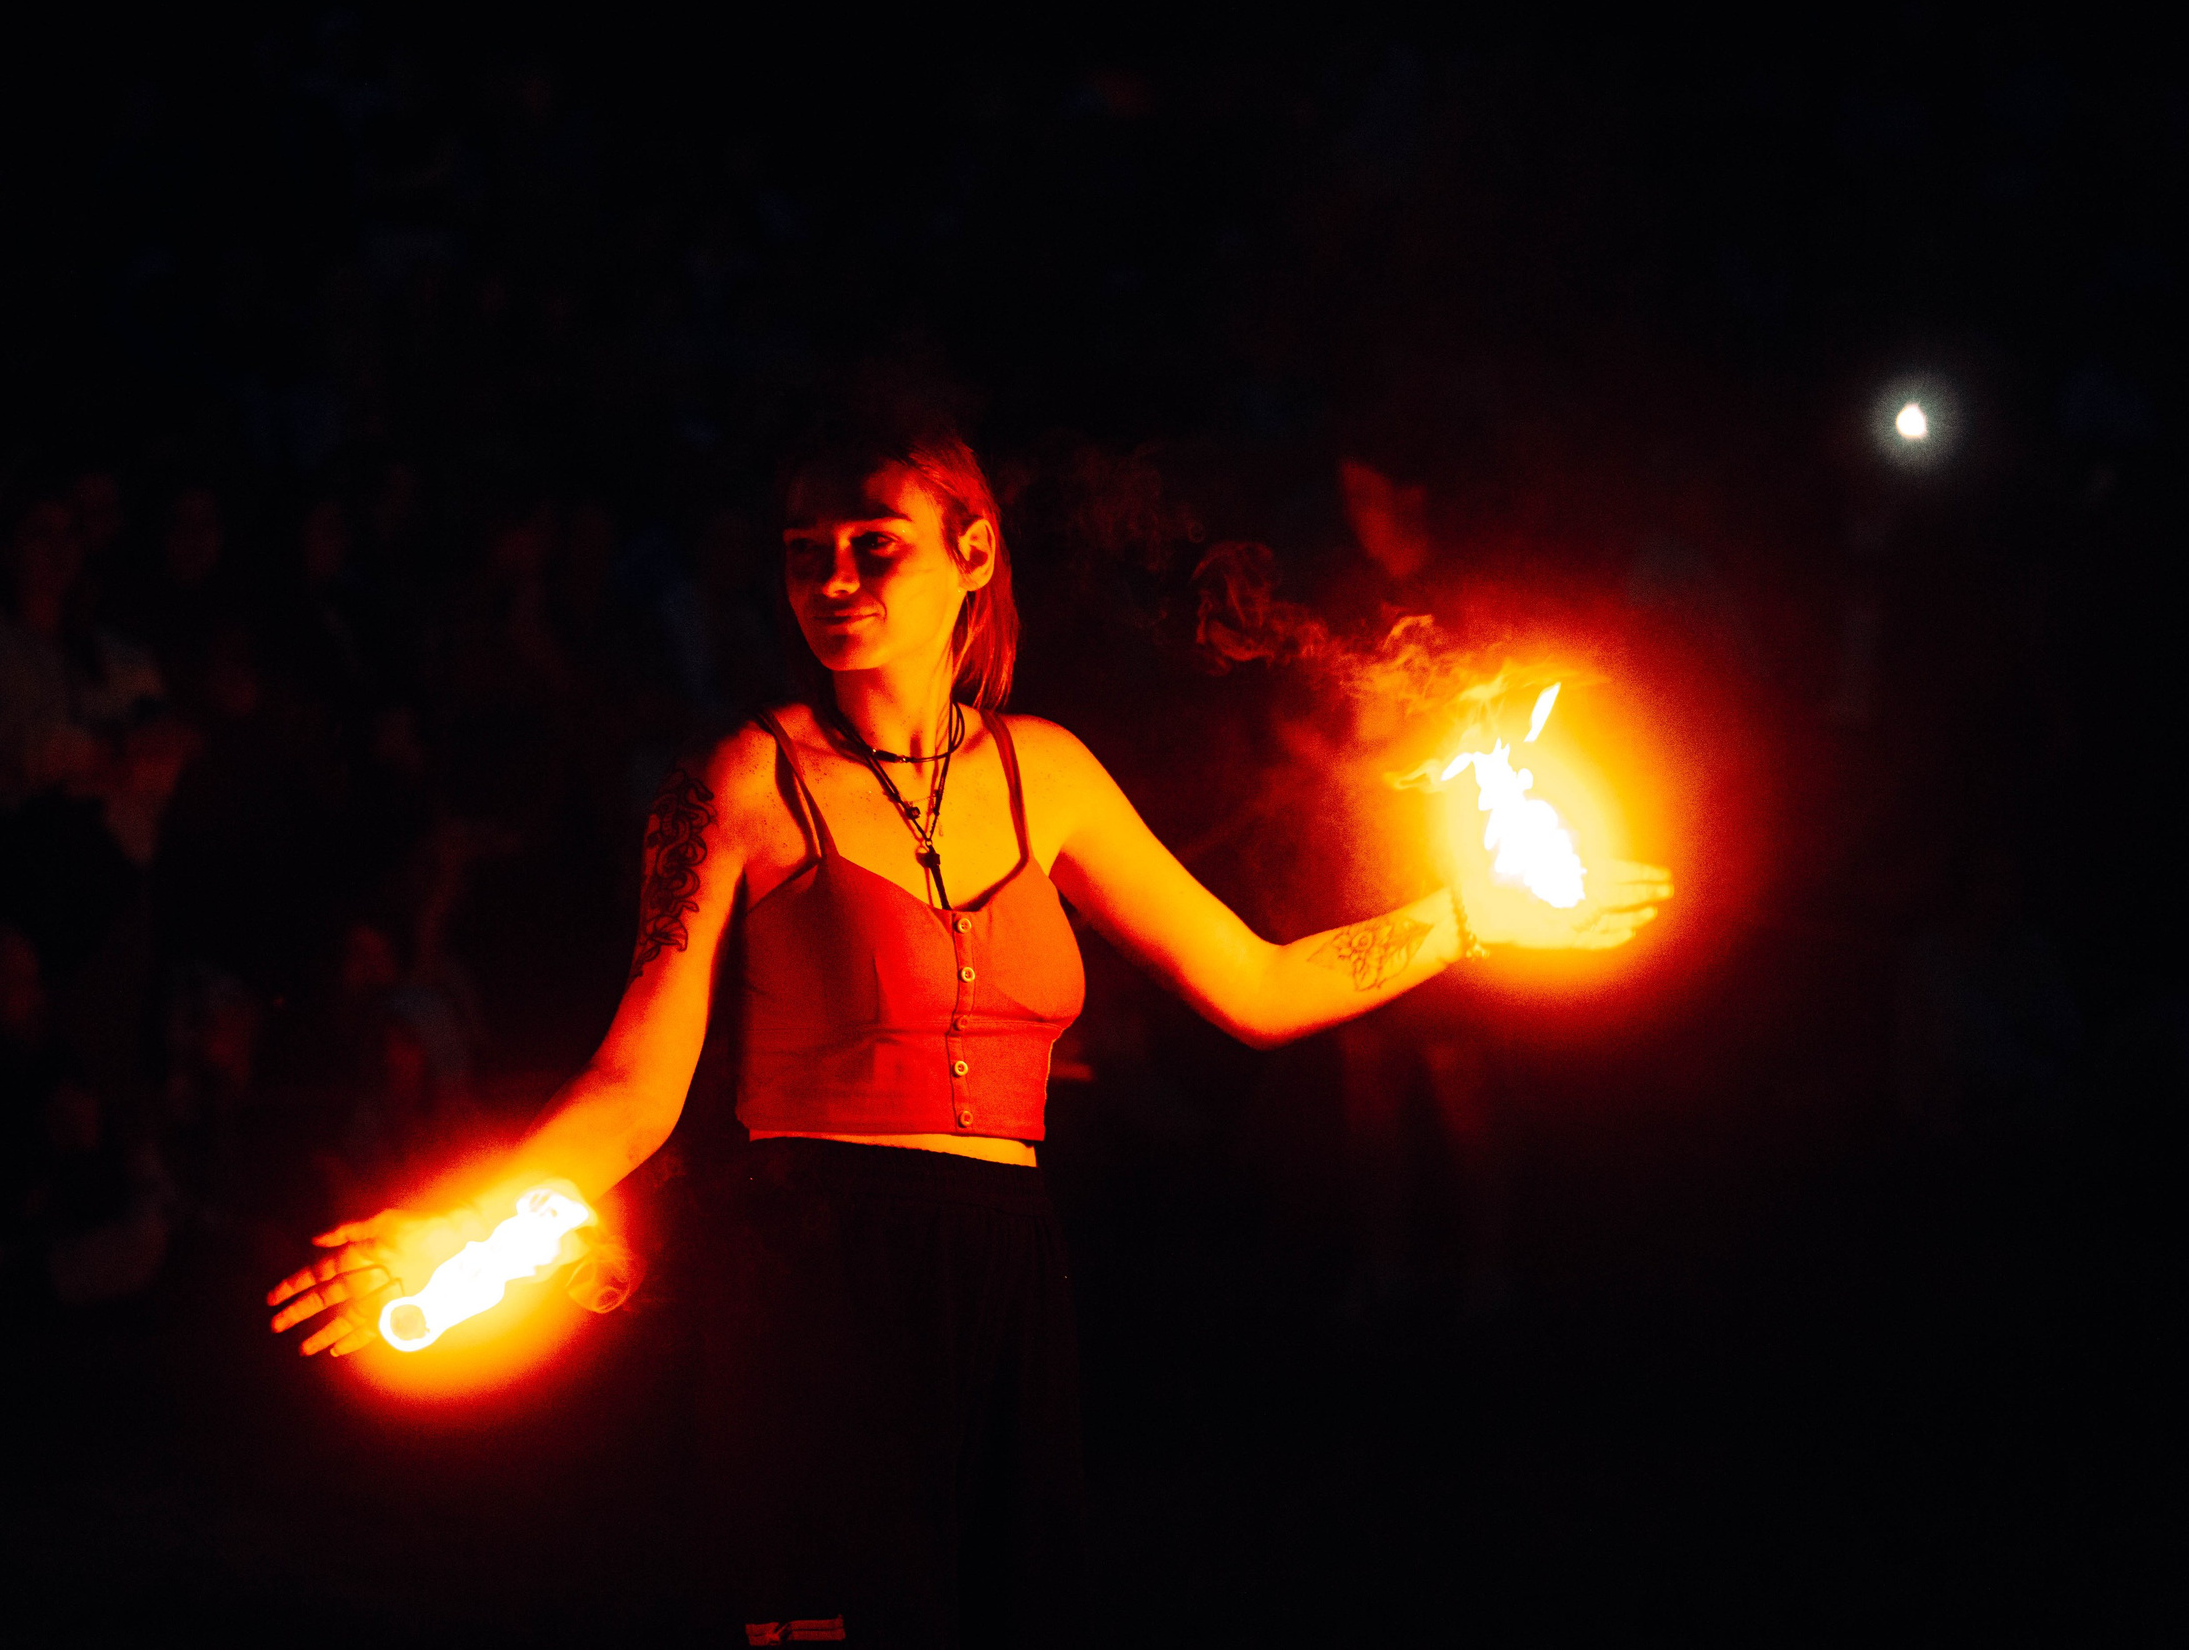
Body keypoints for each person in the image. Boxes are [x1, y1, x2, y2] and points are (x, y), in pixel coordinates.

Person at [267, 415, 1670, 1645]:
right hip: (812, 1269)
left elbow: (1257, 986)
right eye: (803, 548)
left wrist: (1473, 917)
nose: (830, 579)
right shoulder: (745, 782)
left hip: (1003, 1270)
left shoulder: (1046, 773)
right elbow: (636, 1086)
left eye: (873, 546)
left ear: (974, 557)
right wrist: (457, 1228)